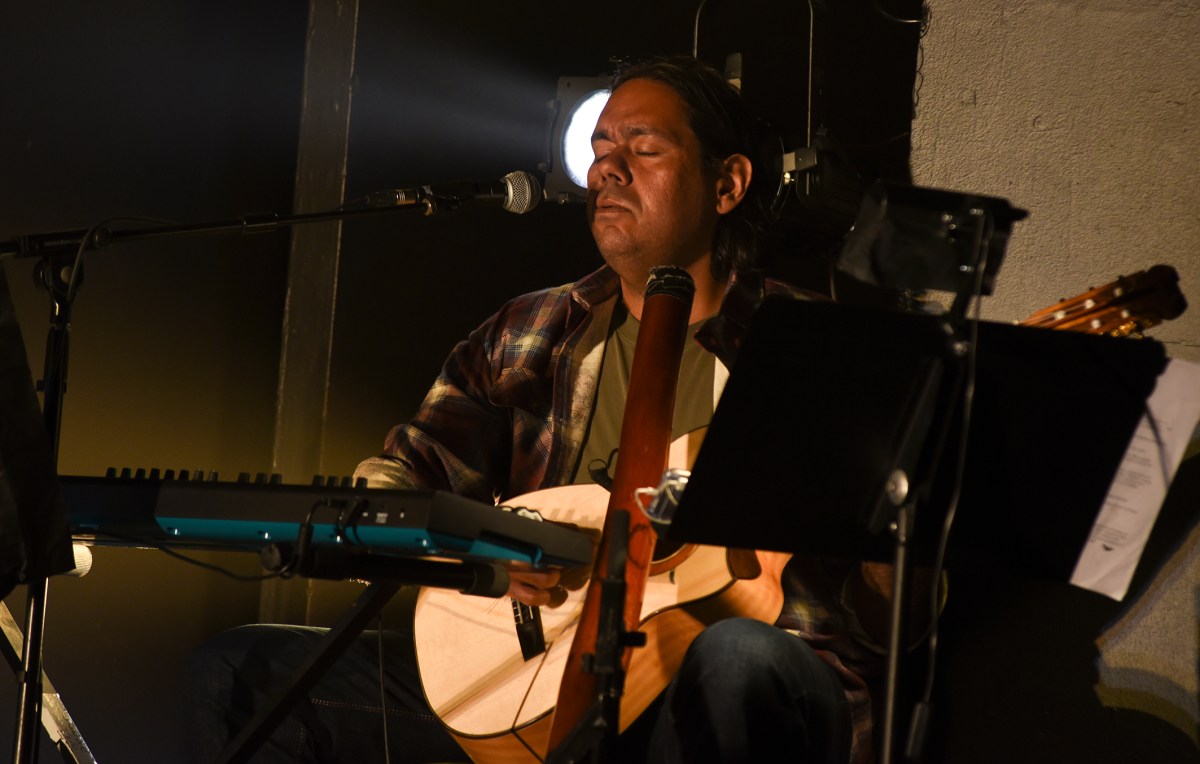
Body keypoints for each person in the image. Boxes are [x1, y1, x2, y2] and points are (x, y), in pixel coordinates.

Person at [185, 55, 906, 764]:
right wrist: (474, 548)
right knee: (243, 675)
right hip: (534, 678)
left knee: (737, 654)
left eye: (643, 148)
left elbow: (890, 617)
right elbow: (401, 483)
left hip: (745, 684)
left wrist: (902, 552)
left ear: (728, 184)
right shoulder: (530, 332)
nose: (607, 169)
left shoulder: (813, 350)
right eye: (600, 147)